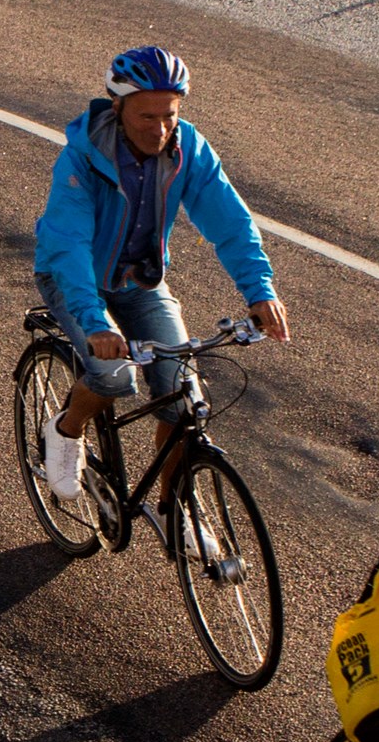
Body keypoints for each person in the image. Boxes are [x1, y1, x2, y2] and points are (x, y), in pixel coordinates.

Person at [30, 44, 289, 501]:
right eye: (147, 117)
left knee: (183, 398)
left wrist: (259, 290)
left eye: (169, 115)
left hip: (140, 283)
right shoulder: (82, 158)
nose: (161, 129)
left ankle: (177, 508)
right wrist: (94, 321)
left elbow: (230, 221)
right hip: (74, 282)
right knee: (113, 377)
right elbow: (68, 244)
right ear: (118, 106)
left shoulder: (188, 148)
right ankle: (66, 430)